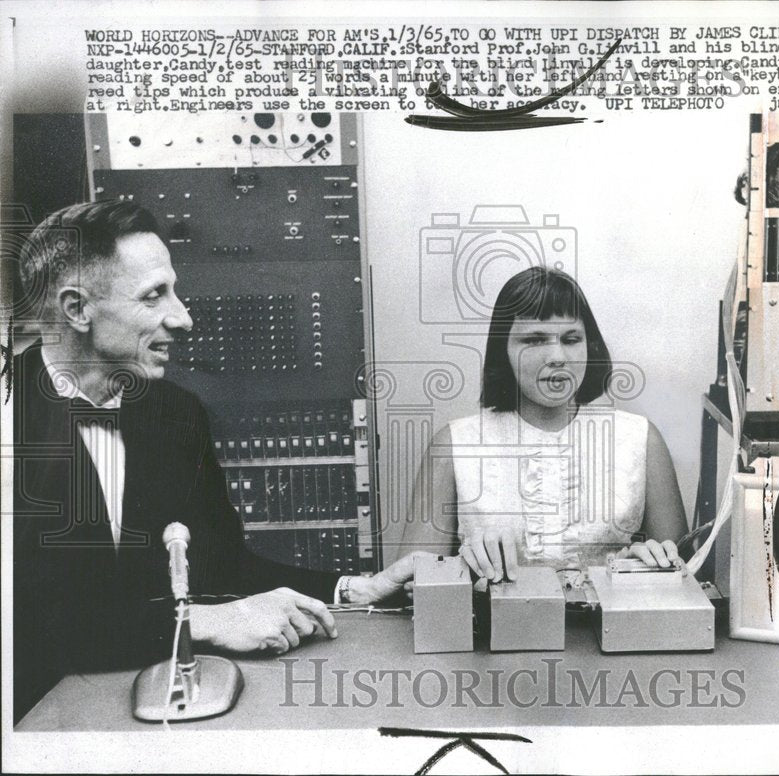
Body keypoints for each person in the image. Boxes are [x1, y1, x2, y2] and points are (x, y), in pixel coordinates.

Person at [10, 201, 423, 723]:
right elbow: (29, 625)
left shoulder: (174, 413)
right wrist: (199, 622)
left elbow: (222, 564)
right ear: (77, 310)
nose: (183, 318)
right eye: (155, 295)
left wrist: (352, 589)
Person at [400, 266, 687, 581]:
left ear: (589, 346)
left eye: (570, 339)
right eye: (534, 340)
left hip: (611, 628)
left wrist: (644, 563)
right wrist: (463, 568)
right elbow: (410, 581)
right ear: (504, 351)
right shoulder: (455, 442)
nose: (557, 356)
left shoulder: (640, 438)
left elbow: (685, 575)